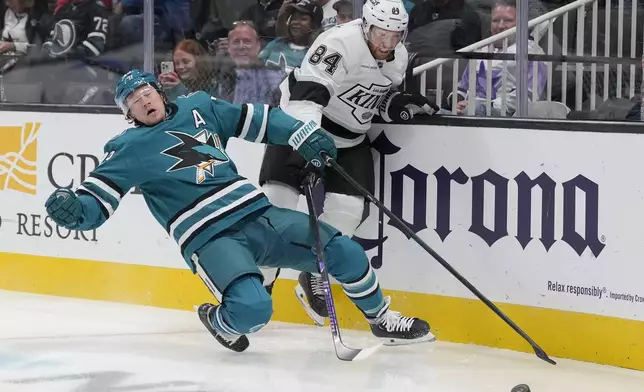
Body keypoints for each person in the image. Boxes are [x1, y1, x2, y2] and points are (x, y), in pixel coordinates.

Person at [44, 69, 435, 353]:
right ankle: (219, 322)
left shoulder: (200, 108)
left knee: (344, 252)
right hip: (211, 238)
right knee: (252, 310)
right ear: (128, 113)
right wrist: (74, 210)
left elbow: (260, 121)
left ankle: (381, 319)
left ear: (160, 92)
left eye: (146, 92)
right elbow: (96, 203)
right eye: (132, 101)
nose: (143, 101)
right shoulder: (126, 149)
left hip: (258, 215)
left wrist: (304, 134)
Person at [258, 0, 438, 326]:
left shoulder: (397, 59)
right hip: (298, 127)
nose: (387, 43)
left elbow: (366, 99)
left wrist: (394, 102)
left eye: (395, 35)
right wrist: (309, 141)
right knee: (276, 211)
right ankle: (257, 290)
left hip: (350, 140)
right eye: (382, 34)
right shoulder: (339, 43)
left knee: (347, 214)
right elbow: (307, 95)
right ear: (367, 26)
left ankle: (314, 275)